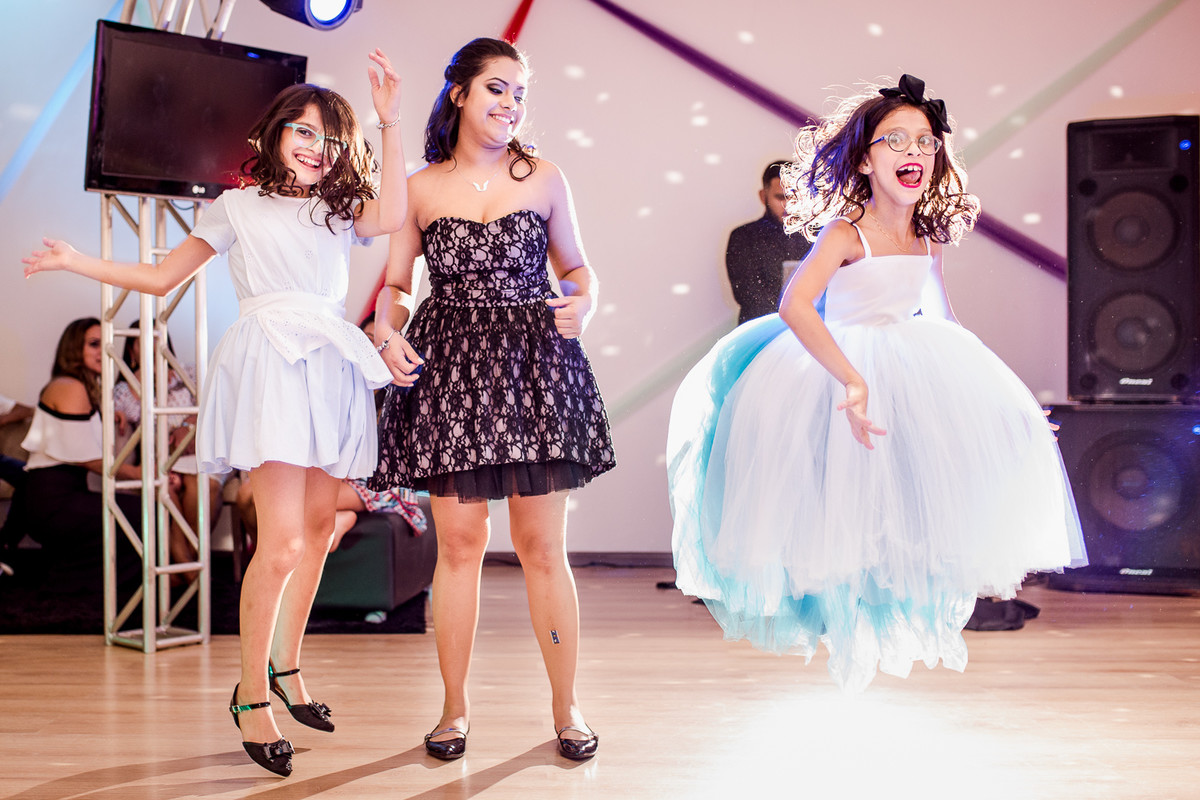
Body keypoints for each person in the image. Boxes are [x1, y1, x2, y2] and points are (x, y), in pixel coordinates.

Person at [23, 50, 406, 778]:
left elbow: (393, 214)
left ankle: (288, 669)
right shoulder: (237, 207)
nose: (314, 147)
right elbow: (160, 276)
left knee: (318, 532)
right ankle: (251, 695)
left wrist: (388, 121)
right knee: (283, 542)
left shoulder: (339, 208)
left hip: (330, 363)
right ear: (275, 131)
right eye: (302, 130)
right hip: (272, 364)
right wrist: (76, 260)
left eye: (329, 137)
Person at [667, 74, 1086, 692]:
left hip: (908, 360)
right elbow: (795, 306)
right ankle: (836, 610)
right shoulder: (846, 231)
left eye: (924, 141)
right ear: (865, 160)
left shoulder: (926, 236)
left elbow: (943, 318)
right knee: (834, 494)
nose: (913, 151)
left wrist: (1007, 403)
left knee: (905, 494)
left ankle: (889, 600)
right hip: (836, 363)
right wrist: (851, 379)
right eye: (895, 140)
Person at [370, 37, 614, 761]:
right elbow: (396, 284)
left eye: (519, 93)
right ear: (461, 94)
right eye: (497, 88)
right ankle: (453, 710)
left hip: (535, 367)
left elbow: (579, 270)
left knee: (541, 548)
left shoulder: (544, 177)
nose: (511, 104)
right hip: (452, 370)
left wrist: (584, 304)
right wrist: (386, 328)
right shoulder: (419, 187)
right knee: (460, 546)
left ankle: (567, 708)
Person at [12, 318, 144, 565]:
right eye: (94, 344)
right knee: (146, 514)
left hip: (60, 494)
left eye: (105, 343)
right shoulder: (71, 387)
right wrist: (137, 473)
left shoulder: (77, 387)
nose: (103, 350)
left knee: (138, 513)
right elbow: (87, 459)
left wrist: (109, 413)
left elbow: (75, 431)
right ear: (73, 349)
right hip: (53, 501)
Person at [112, 320, 222, 569]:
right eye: (142, 340)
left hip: (194, 452)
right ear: (131, 350)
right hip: (159, 458)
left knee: (201, 485)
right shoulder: (124, 388)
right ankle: (186, 568)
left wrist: (188, 426)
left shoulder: (188, 373)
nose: (151, 345)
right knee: (166, 490)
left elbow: (214, 405)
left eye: (156, 338)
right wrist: (138, 385)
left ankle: (189, 565)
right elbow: (114, 419)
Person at [725, 160, 814, 324]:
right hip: (762, 332)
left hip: (810, 330)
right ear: (763, 196)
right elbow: (751, 297)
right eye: (781, 197)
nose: (788, 205)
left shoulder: (816, 235)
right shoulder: (744, 237)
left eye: (794, 197)